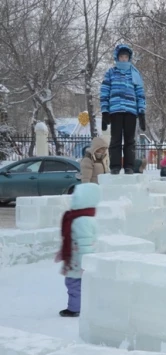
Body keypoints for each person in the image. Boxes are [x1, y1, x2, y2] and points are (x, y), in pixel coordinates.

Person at [55, 183, 100, 317]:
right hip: (76, 259)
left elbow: (85, 244)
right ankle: (79, 306)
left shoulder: (81, 220)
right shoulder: (82, 217)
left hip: (78, 262)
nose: (73, 200)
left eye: (76, 198)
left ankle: (75, 309)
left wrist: (84, 263)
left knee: (74, 285)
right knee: (76, 285)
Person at [100, 43, 146, 175]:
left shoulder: (134, 73)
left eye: (126, 56)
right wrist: (104, 111)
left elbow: (140, 93)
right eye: (121, 56)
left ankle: (129, 166)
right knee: (115, 139)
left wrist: (141, 112)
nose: (124, 59)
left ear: (129, 58)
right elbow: (104, 91)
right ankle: (115, 166)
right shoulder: (111, 72)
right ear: (117, 57)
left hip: (131, 111)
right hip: (115, 111)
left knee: (130, 140)